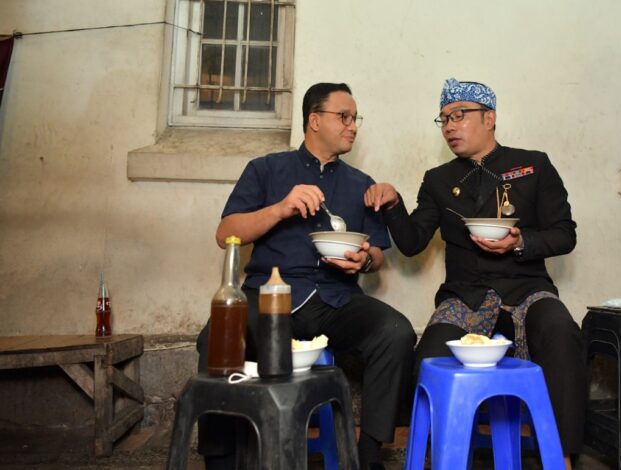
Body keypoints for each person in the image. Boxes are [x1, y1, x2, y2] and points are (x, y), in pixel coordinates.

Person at [364, 78, 587, 468]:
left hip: (527, 289)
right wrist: (394, 203)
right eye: (444, 119)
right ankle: (443, 458)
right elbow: (414, 241)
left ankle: (563, 458)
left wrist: (520, 242)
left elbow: (564, 234)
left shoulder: (533, 165)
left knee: (561, 331)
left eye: (459, 116)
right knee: (430, 357)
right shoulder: (438, 179)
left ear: (490, 118)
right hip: (464, 295)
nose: (450, 126)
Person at [197, 82, 417, 470]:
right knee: (215, 336)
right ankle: (221, 460)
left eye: (355, 118)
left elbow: (378, 254)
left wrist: (363, 261)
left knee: (395, 331)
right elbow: (225, 233)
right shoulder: (265, 169)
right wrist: (280, 208)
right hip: (268, 296)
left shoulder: (361, 184)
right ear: (314, 120)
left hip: (336, 298)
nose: (353, 126)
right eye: (344, 117)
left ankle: (368, 456)